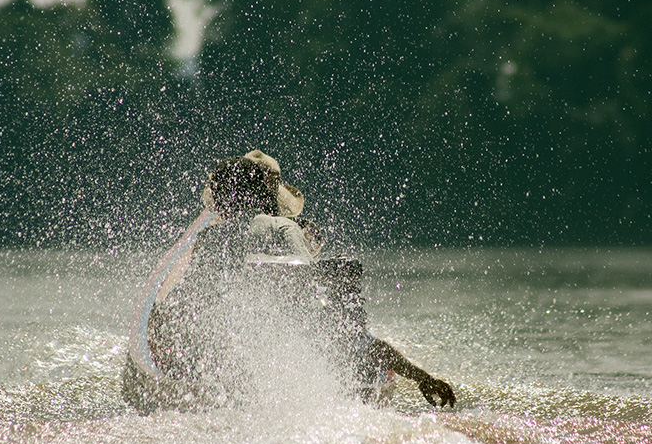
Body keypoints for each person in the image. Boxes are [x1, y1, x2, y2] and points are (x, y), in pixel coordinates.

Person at [126, 150, 456, 409]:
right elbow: (329, 313)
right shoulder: (284, 230)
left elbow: (190, 298)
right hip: (288, 356)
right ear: (269, 195)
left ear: (225, 200)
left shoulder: (212, 239)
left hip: (224, 363)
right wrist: (422, 377)